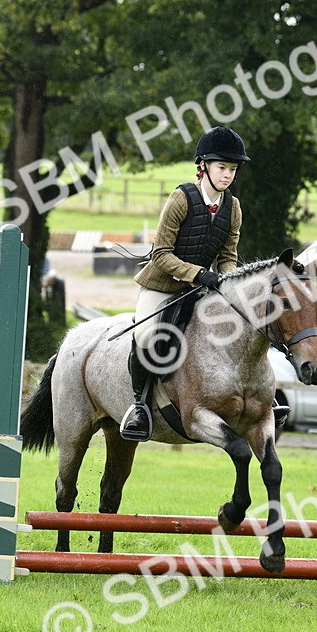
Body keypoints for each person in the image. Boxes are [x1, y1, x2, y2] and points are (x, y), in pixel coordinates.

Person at [119, 126, 248, 441]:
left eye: (232, 169)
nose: (227, 175)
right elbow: (161, 254)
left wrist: (227, 282)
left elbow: (228, 256)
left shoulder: (233, 208)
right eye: (222, 167)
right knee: (147, 335)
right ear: (202, 166)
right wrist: (199, 274)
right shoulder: (181, 198)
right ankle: (139, 407)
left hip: (198, 289)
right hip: (161, 285)